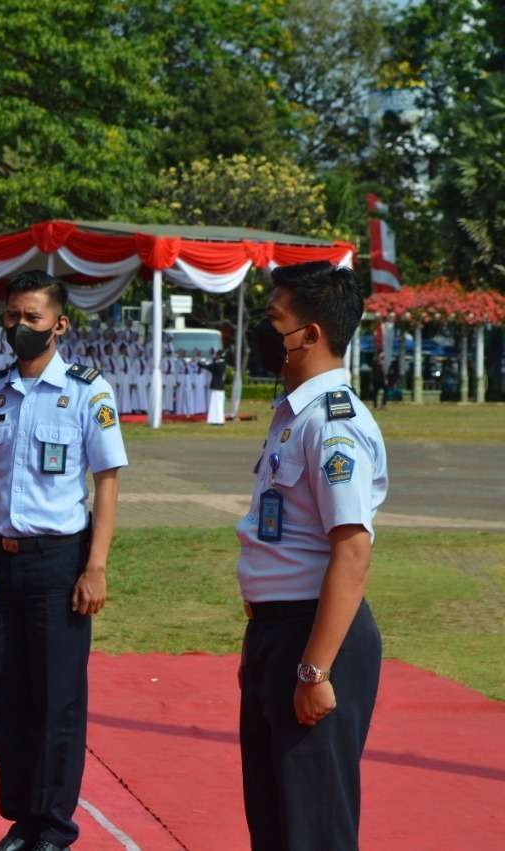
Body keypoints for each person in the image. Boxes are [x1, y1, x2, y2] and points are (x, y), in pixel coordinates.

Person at [0, 270, 127, 851]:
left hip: (59, 561)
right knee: (5, 692)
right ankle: (22, 817)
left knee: (57, 696)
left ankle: (55, 826)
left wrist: (96, 566)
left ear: (59, 324)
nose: (20, 327)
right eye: (12, 316)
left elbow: (106, 482)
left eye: (32, 318)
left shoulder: (89, 390)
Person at [239, 261, 386, 851]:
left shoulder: (333, 425)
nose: (265, 333)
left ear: (312, 334)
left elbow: (351, 552)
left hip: (317, 638)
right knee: (273, 819)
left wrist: (313, 669)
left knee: (313, 827)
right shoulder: (292, 414)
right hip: (279, 634)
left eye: (275, 320)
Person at [206, 348, 228, 425]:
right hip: (217, 386)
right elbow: (208, 367)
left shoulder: (221, 364)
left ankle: (219, 420)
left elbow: (216, 368)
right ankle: (214, 420)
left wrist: (214, 359)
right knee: (214, 404)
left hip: (219, 386)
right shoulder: (218, 363)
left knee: (218, 404)